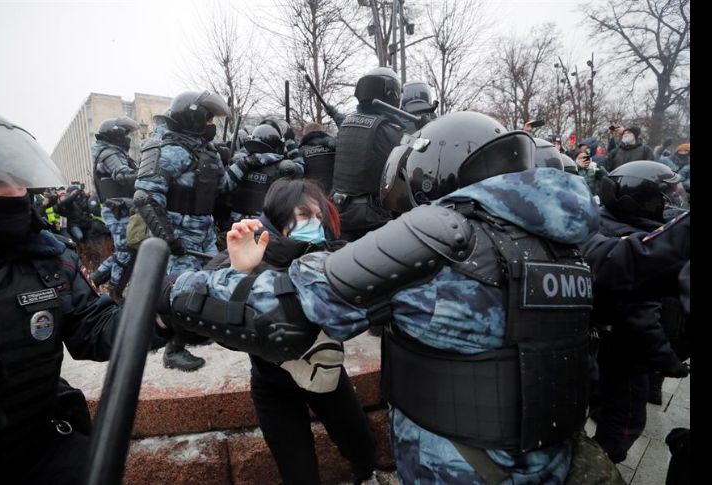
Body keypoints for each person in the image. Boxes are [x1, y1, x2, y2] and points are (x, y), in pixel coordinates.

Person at [162, 112, 611, 483]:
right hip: (556, 459)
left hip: (464, 467)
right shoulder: (563, 245)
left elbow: (287, 313)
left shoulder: (440, 233)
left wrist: (173, 291)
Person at [0, 102, 164, 484]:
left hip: (40, 450)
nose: (14, 192)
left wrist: (163, 312)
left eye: (17, 180)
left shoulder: (48, 257)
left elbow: (94, 327)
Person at [203, 178, 376, 484]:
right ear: (280, 216)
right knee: (297, 471)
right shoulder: (249, 249)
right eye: (305, 216)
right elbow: (204, 305)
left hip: (325, 374)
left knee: (362, 448)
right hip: (272, 382)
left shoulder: (332, 252)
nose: (316, 224)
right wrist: (237, 272)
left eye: (319, 217)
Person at [134, 89, 275, 371]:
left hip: (204, 231)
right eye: (208, 119)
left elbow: (221, 187)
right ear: (193, 117)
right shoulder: (169, 149)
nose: (212, 125)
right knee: (179, 291)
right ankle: (173, 348)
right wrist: (168, 238)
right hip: (178, 234)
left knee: (209, 281)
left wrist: (243, 164)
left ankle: (194, 332)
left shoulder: (204, 150)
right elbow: (145, 196)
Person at [583, 160, 690, 464]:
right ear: (638, 200)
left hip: (602, 345)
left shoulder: (606, 225)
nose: (674, 201)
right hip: (626, 352)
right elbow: (642, 317)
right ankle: (602, 460)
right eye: (667, 196)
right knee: (626, 417)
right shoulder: (631, 252)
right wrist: (668, 361)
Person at [330, 67, 405, 241]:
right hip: (372, 221)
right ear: (391, 94)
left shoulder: (346, 124)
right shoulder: (390, 131)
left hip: (339, 213)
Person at [89, 116, 140, 295]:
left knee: (127, 251)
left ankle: (95, 280)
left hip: (122, 208)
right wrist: (148, 174)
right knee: (125, 251)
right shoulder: (110, 153)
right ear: (115, 134)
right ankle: (113, 292)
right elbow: (123, 176)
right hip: (118, 210)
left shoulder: (111, 152)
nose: (127, 138)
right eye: (125, 133)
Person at [227, 118, 304, 226]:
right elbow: (300, 167)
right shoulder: (282, 168)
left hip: (237, 226)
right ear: (277, 145)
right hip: (265, 227)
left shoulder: (241, 164)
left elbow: (224, 187)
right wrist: (290, 142)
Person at [299, 122, 337, 194]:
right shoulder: (334, 148)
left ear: (305, 134)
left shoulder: (301, 151)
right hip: (335, 196)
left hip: (313, 196)